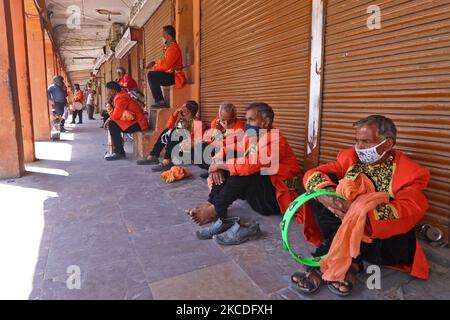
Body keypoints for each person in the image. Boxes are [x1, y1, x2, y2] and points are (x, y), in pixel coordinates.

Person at [290, 115, 430, 297]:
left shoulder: (411, 172)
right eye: (357, 141)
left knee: (385, 221)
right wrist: (329, 197)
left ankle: (325, 259)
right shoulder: (350, 157)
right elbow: (313, 174)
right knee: (322, 189)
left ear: (387, 144)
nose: (359, 147)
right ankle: (352, 263)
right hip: (342, 226)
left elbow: (410, 209)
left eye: (366, 141)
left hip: (380, 242)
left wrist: (358, 212)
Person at [187, 103, 301, 245]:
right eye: (246, 120)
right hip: (256, 195)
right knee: (229, 160)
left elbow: (250, 165)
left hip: (272, 200)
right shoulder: (254, 136)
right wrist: (216, 163)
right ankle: (213, 204)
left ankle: (215, 209)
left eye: (251, 120)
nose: (246, 124)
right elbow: (231, 148)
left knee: (245, 170)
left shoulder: (276, 141)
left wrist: (220, 164)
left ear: (265, 122)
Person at [136, 101, 205, 171]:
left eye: (183, 107)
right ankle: (153, 156)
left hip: (189, 153)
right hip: (180, 148)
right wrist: (175, 114)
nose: (180, 108)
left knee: (175, 132)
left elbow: (196, 142)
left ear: (187, 110)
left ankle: (167, 161)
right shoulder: (182, 120)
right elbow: (168, 126)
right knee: (167, 131)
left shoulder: (198, 123)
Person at [104, 81, 150, 161]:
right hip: (135, 122)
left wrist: (108, 114)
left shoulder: (121, 97)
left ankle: (119, 152)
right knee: (112, 123)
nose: (108, 93)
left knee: (112, 125)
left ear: (113, 90)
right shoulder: (119, 96)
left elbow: (116, 115)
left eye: (108, 90)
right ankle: (118, 150)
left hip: (140, 124)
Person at [197, 103, 246, 178]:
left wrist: (226, 129)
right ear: (219, 117)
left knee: (206, 149)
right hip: (221, 149)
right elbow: (210, 138)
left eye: (229, 120)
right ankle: (213, 171)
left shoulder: (240, 129)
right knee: (199, 147)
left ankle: (216, 171)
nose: (226, 123)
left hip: (231, 152)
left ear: (234, 117)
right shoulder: (217, 122)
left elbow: (223, 144)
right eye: (223, 120)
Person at [146, 25, 186, 109]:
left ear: (168, 36)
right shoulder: (169, 48)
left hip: (175, 77)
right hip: (171, 75)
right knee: (152, 75)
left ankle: (160, 101)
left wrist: (155, 67)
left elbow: (166, 65)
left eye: (163, 35)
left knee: (152, 75)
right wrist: (154, 63)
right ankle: (159, 101)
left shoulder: (173, 48)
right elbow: (163, 61)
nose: (162, 37)